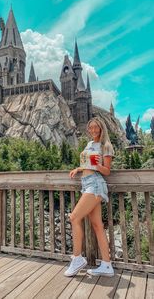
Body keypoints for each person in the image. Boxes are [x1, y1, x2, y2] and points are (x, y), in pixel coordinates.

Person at [64, 117, 115, 277]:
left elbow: (106, 171)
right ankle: (107, 265)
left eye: (96, 128)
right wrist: (79, 168)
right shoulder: (89, 144)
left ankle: (77, 258)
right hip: (86, 183)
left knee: (74, 218)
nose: (93, 130)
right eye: (90, 128)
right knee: (97, 226)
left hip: (95, 184)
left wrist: (97, 165)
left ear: (101, 128)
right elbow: (87, 163)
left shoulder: (106, 145)